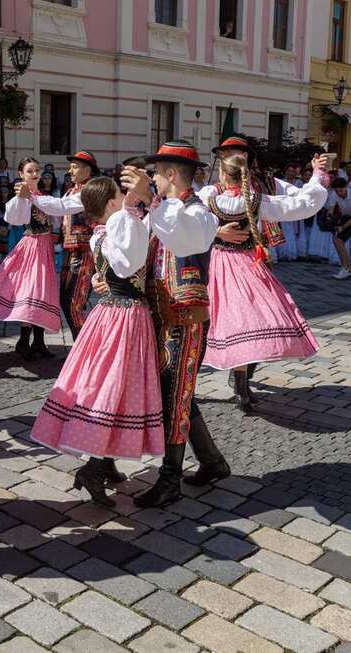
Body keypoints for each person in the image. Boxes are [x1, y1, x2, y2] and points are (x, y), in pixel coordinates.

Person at [118, 142, 238, 507]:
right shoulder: (162, 209)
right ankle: (213, 462)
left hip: (184, 320)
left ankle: (170, 479)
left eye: (157, 173)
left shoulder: (197, 213)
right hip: (161, 316)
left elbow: (183, 235)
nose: (152, 178)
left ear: (170, 175)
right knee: (178, 393)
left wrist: (149, 199)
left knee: (176, 396)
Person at [29, 176, 160, 507]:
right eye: (119, 194)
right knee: (117, 389)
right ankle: (94, 468)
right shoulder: (119, 225)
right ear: (112, 204)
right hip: (126, 315)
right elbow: (127, 262)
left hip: (108, 314)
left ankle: (108, 460)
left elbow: (112, 266)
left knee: (108, 386)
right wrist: (130, 211)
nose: (125, 196)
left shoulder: (101, 233)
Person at [199, 153, 329, 408]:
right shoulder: (258, 200)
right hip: (248, 267)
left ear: (223, 175)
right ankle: (242, 387)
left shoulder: (207, 198)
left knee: (219, 325)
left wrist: (215, 232)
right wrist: (317, 175)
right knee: (246, 324)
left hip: (217, 266)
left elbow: (187, 222)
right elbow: (302, 204)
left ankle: (223, 384)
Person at [0, 157, 62, 358]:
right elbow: (16, 218)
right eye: (30, 171)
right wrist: (23, 197)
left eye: (37, 170)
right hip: (32, 247)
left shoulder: (41, 194)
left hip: (44, 246)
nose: (35, 174)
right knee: (32, 292)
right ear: (21, 174)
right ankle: (24, 341)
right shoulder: (21, 196)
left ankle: (39, 342)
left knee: (42, 292)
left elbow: (55, 213)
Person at [35, 150, 99, 339]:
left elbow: (61, 207)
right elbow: (59, 214)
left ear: (88, 170)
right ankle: (83, 344)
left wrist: (33, 197)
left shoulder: (90, 190)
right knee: (66, 301)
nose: (70, 170)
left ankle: (85, 345)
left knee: (74, 303)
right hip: (70, 252)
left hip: (84, 251)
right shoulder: (72, 190)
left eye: (75, 166)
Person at [329, 178, 351, 280]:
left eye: (341, 191)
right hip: (346, 216)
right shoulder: (334, 194)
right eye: (337, 191)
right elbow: (331, 209)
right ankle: (346, 268)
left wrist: (342, 227)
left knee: (338, 240)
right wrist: (329, 216)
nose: (339, 193)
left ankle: (346, 269)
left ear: (346, 188)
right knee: (336, 240)